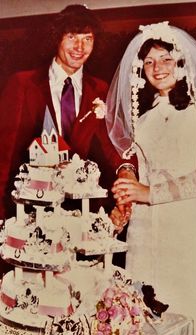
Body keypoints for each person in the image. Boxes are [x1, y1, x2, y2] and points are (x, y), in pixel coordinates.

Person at [107, 22, 196, 335]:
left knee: (195, 312)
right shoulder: (144, 120)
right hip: (151, 236)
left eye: (165, 58)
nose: (158, 67)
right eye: (149, 62)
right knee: (154, 322)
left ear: (181, 61)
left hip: (193, 231)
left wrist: (149, 193)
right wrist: (126, 201)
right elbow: (142, 177)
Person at [0, 5, 136, 273]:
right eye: (72, 36)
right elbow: (4, 153)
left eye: (88, 39)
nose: (80, 46)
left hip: (80, 217)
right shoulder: (23, 83)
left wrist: (127, 170)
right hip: (30, 212)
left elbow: (114, 143)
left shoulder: (100, 88)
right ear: (57, 38)